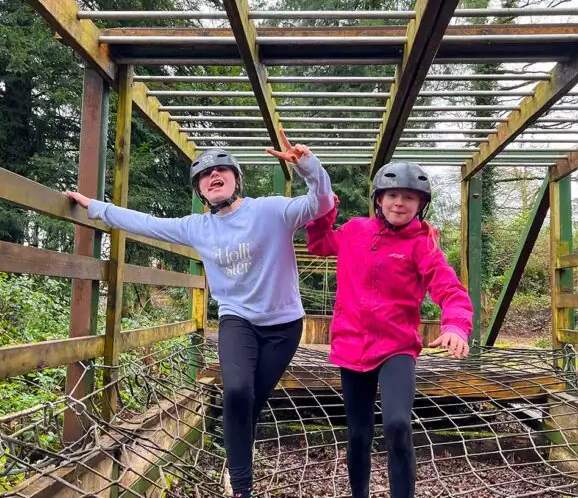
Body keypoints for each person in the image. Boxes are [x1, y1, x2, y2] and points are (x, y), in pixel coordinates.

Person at [64, 133, 334, 498]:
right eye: (206, 175)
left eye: (222, 170)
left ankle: (235, 452)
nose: (214, 176)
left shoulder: (271, 210)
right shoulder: (197, 227)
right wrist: (95, 207)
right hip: (237, 320)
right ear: (201, 191)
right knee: (237, 390)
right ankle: (242, 487)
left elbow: (320, 204)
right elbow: (144, 222)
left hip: (284, 324)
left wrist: (308, 165)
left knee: (252, 402)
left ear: (236, 179)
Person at [303, 161, 473, 498]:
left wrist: (455, 325)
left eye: (409, 197)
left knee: (397, 425)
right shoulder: (354, 231)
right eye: (392, 195)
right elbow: (319, 243)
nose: (400, 203)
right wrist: (325, 204)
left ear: (420, 205)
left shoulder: (423, 244)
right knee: (358, 434)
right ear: (379, 200)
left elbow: (450, 290)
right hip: (351, 345)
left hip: (397, 347)